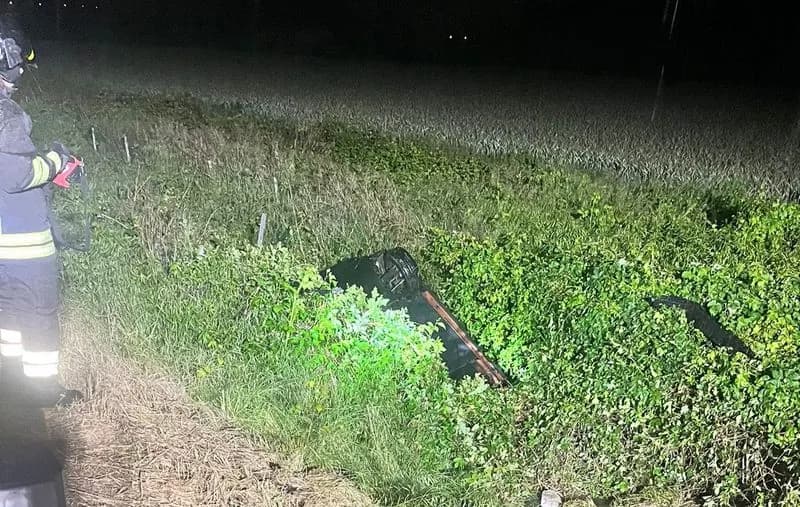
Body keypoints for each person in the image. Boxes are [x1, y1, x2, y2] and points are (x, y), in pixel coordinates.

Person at [0, 14, 82, 408]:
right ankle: (43, 391)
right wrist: (55, 161)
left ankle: (11, 381)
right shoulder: (7, 115)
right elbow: (15, 174)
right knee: (38, 314)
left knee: (8, 313)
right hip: (23, 246)